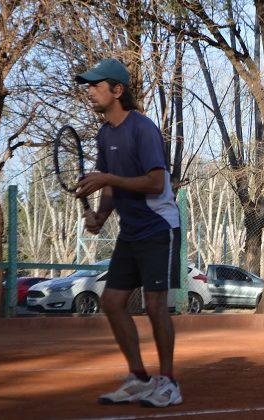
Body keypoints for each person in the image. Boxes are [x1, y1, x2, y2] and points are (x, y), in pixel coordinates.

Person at [74, 58, 182, 407]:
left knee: (155, 305)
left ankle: (168, 383)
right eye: (88, 86)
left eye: (96, 85)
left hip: (158, 227)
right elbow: (109, 185)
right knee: (112, 302)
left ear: (117, 90)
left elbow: (155, 182)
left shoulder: (143, 128)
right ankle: (138, 377)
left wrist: (108, 179)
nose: (89, 91)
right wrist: (102, 215)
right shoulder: (105, 133)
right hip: (130, 232)